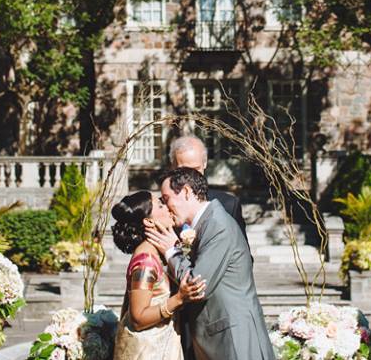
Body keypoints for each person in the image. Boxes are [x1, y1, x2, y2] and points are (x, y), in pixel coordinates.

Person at [146, 168, 274, 360]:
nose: (166, 205)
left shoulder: (218, 225)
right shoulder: (206, 223)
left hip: (234, 339)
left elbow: (197, 285)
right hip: (219, 337)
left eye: (166, 198)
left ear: (187, 192)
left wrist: (171, 251)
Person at [111, 190, 206, 360]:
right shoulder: (145, 261)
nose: (168, 207)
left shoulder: (157, 253)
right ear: (148, 221)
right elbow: (138, 318)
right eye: (161, 205)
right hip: (146, 351)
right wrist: (179, 299)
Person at [168, 135, 247, 244]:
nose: (191, 177)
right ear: (172, 167)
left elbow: (242, 255)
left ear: (204, 164)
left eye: (196, 169)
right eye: (184, 171)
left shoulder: (228, 205)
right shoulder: (163, 208)